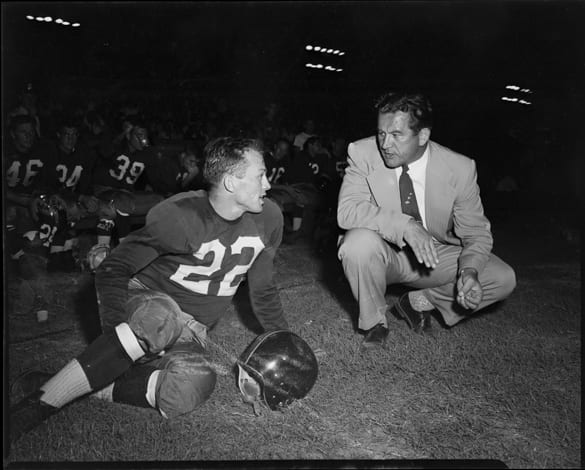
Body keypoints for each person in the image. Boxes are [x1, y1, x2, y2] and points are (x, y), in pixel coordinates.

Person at [9, 137, 290, 442]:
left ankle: (80, 382)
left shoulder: (270, 217)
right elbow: (115, 268)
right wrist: (116, 331)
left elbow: (262, 291)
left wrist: (285, 343)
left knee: (191, 388)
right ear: (232, 183)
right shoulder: (182, 215)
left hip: (191, 328)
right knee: (161, 316)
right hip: (146, 303)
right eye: (260, 175)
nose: (268, 185)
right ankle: (33, 409)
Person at [337, 91, 516, 348]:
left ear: (423, 136)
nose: (385, 144)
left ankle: (418, 301)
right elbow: (348, 210)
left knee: (502, 276)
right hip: (384, 254)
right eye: (381, 133)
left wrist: (469, 272)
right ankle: (375, 323)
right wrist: (405, 226)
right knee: (356, 243)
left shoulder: (460, 169)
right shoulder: (362, 152)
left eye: (397, 135)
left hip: (433, 257)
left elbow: (476, 233)